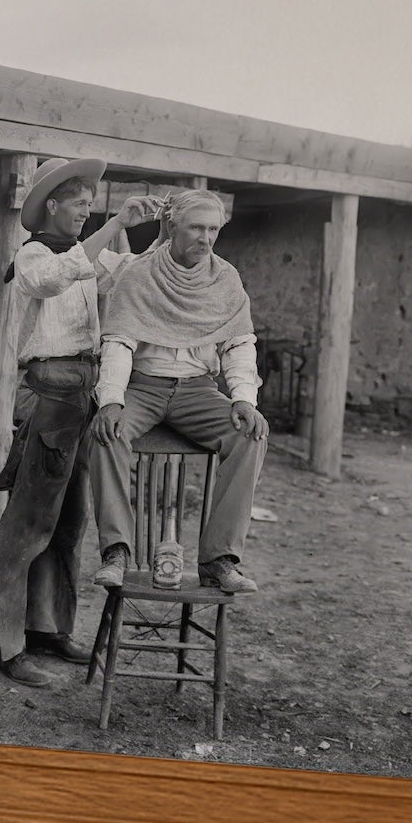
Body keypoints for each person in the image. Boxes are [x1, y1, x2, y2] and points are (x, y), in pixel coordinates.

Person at [0, 158, 163, 687]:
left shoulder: (88, 253)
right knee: (29, 521)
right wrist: (114, 226)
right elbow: (59, 277)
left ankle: (49, 630)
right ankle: (8, 646)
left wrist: (160, 228)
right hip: (50, 393)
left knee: (69, 522)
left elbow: (130, 273)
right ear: (51, 205)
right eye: (78, 202)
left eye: (89, 204)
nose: (85, 211)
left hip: (87, 391)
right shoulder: (34, 254)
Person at [87, 187, 268, 594]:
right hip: (143, 387)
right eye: (196, 228)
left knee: (250, 435)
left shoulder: (225, 279)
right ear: (172, 228)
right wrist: (112, 401)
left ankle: (219, 559)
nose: (205, 239)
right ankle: (116, 551)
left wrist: (243, 398)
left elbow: (238, 343)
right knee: (104, 434)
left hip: (197, 390)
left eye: (213, 230)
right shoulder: (139, 272)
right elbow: (118, 340)